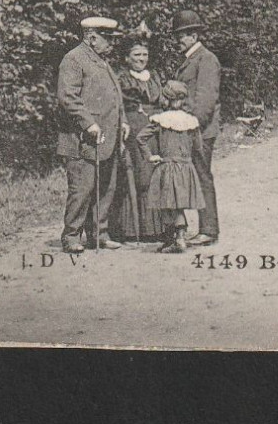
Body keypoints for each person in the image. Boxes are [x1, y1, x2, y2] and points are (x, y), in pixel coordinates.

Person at [56, 16, 129, 253]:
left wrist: (124, 121)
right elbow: (68, 96)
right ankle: (71, 236)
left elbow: (115, 97)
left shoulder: (101, 61)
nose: (111, 44)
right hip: (81, 139)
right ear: (91, 37)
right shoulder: (74, 59)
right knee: (83, 188)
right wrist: (88, 123)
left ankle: (99, 234)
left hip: (106, 138)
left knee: (105, 187)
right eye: (107, 38)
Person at [170, 9, 222, 246]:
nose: (178, 40)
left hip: (200, 130)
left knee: (202, 177)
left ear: (193, 35)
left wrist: (191, 124)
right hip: (188, 128)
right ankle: (194, 228)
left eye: (182, 35)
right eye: (177, 35)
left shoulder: (207, 59)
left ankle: (209, 229)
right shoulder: (189, 60)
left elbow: (206, 100)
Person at [137, 81, 206, 254]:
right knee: (178, 205)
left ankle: (178, 240)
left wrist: (150, 155)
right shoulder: (191, 121)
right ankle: (176, 238)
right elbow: (198, 147)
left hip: (167, 166)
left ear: (165, 99)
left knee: (168, 205)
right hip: (185, 166)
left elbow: (140, 138)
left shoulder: (161, 120)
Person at [112, 39, 165, 243]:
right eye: (137, 55)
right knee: (139, 173)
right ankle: (133, 228)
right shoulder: (123, 79)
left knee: (155, 171)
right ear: (127, 58)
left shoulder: (155, 77)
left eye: (144, 55)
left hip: (156, 126)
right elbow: (121, 106)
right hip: (135, 127)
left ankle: (157, 227)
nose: (141, 59)